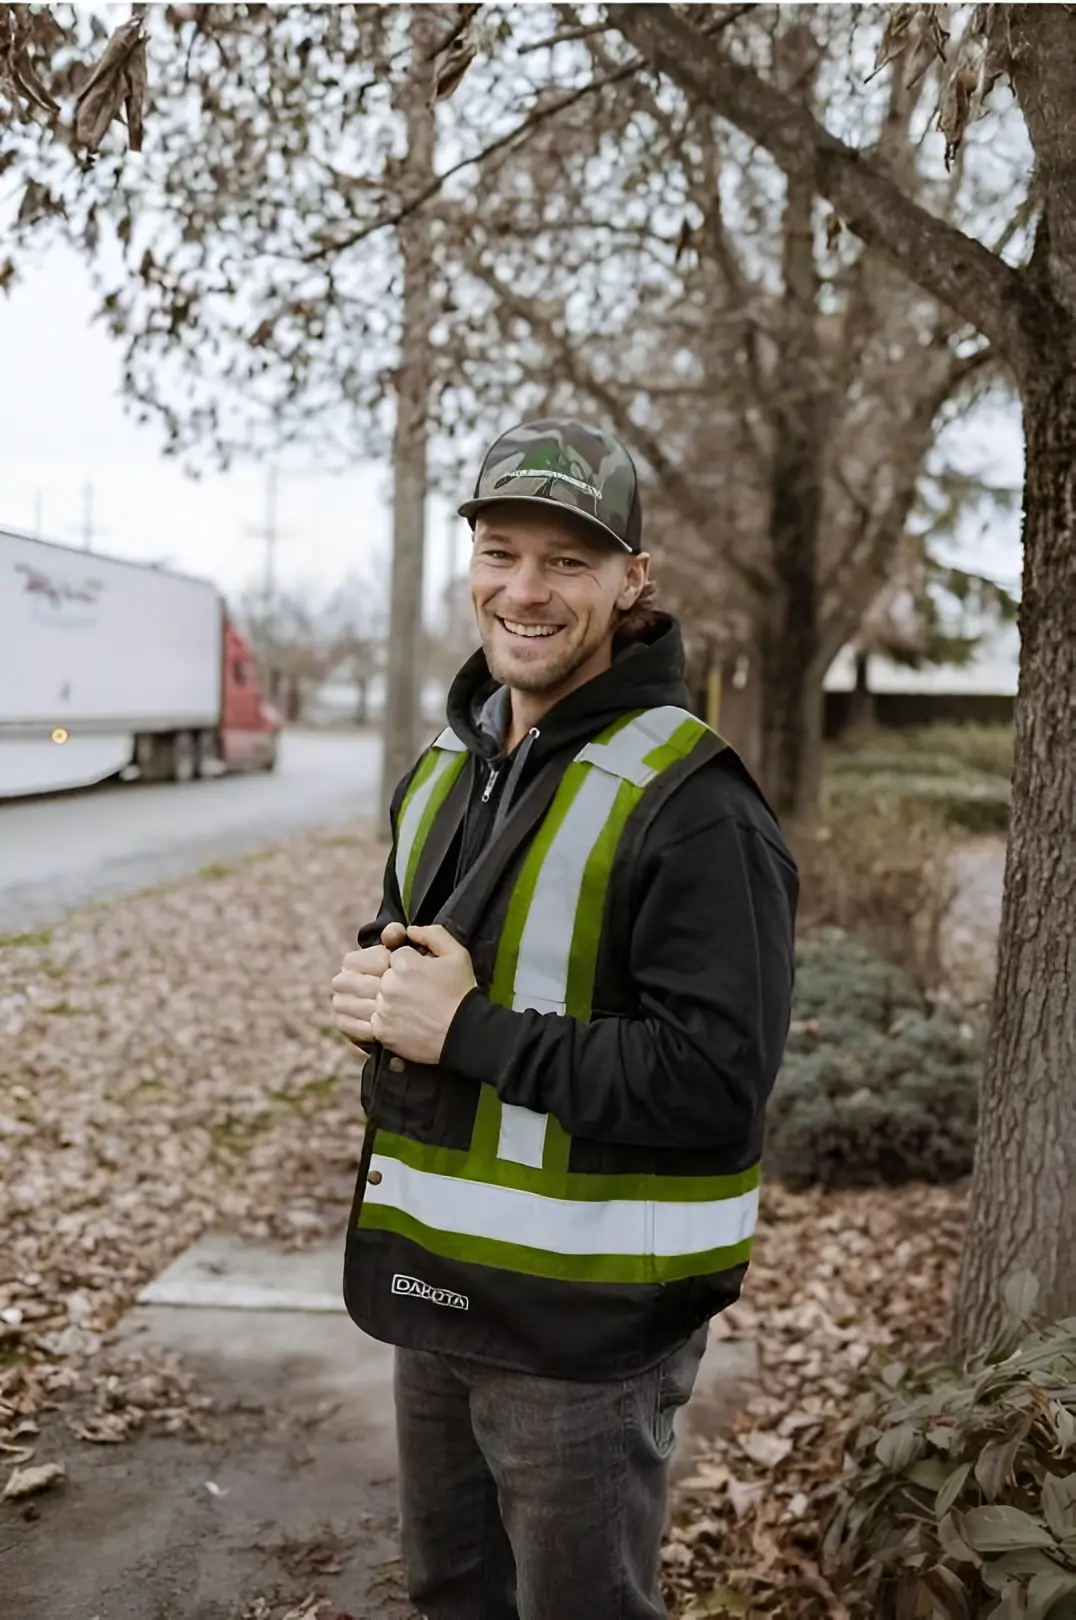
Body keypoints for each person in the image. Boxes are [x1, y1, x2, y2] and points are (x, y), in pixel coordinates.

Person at [331, 419, 798, 1620]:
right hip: (433, 1285)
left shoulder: (695, 804)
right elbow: (455, 978)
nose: (523, 589)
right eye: (498, 551)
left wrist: (467, 1031)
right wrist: (381, 998)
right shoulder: (447, 764)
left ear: (631, 581)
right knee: (450, 1596)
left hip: (583, 1332)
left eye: (566, 560)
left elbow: (710, 1084)